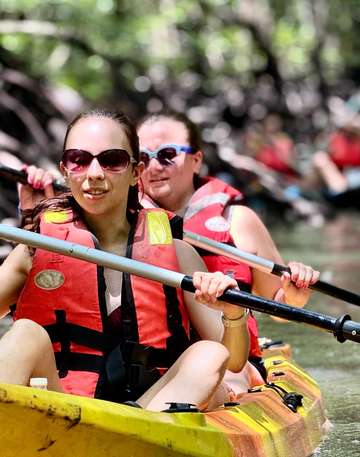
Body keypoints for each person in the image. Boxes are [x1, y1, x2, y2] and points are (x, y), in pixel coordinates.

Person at [0, 109, 250, 412]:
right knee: (25, 334)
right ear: (66, 170)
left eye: (112, 161)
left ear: (135, 172)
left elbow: (233, 361)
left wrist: (234, 316)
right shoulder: (36, 249)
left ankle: (134, 437)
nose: (94, 174)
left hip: (151, 413)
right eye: (79, 160)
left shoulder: (178, 253)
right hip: (66, 410)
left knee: (208, 353)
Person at [136, 111, 320, 391]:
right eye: (143, 157)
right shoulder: (124, 220)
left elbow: (279, 307)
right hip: (158, 362)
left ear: (196, 160)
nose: (154, 166)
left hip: (234, 361)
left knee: (225, 371)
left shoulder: (238, 220)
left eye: (167, 154)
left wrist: (293, 296)